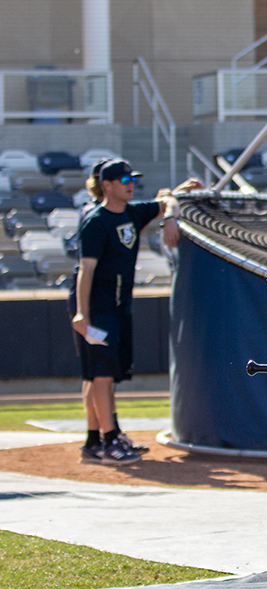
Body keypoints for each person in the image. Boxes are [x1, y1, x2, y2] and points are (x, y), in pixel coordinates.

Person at [70, 160, 199, 465]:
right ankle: (109, 438)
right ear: (108, 184)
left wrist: (170, 216)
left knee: (104, 375)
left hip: (118, 306)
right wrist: (81, 314)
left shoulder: (130, 212)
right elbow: (85, 272)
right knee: (100, 374)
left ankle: (95, 439)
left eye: (132, 178)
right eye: (124, 179)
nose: (130, 183)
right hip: (98, 306)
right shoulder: (96, 221)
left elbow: (165, 200)